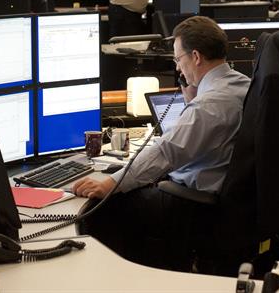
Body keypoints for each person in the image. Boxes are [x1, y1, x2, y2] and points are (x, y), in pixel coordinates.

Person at [72, 16, 251, 270]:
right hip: (224, 198)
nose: (178, 68)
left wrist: (111, 183)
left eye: (179, 59)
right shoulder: (242, 84)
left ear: (196, 57)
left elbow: (167, 152)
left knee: (105, 208)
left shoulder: (210, 104)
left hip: (195, 204)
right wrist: (193, 99)